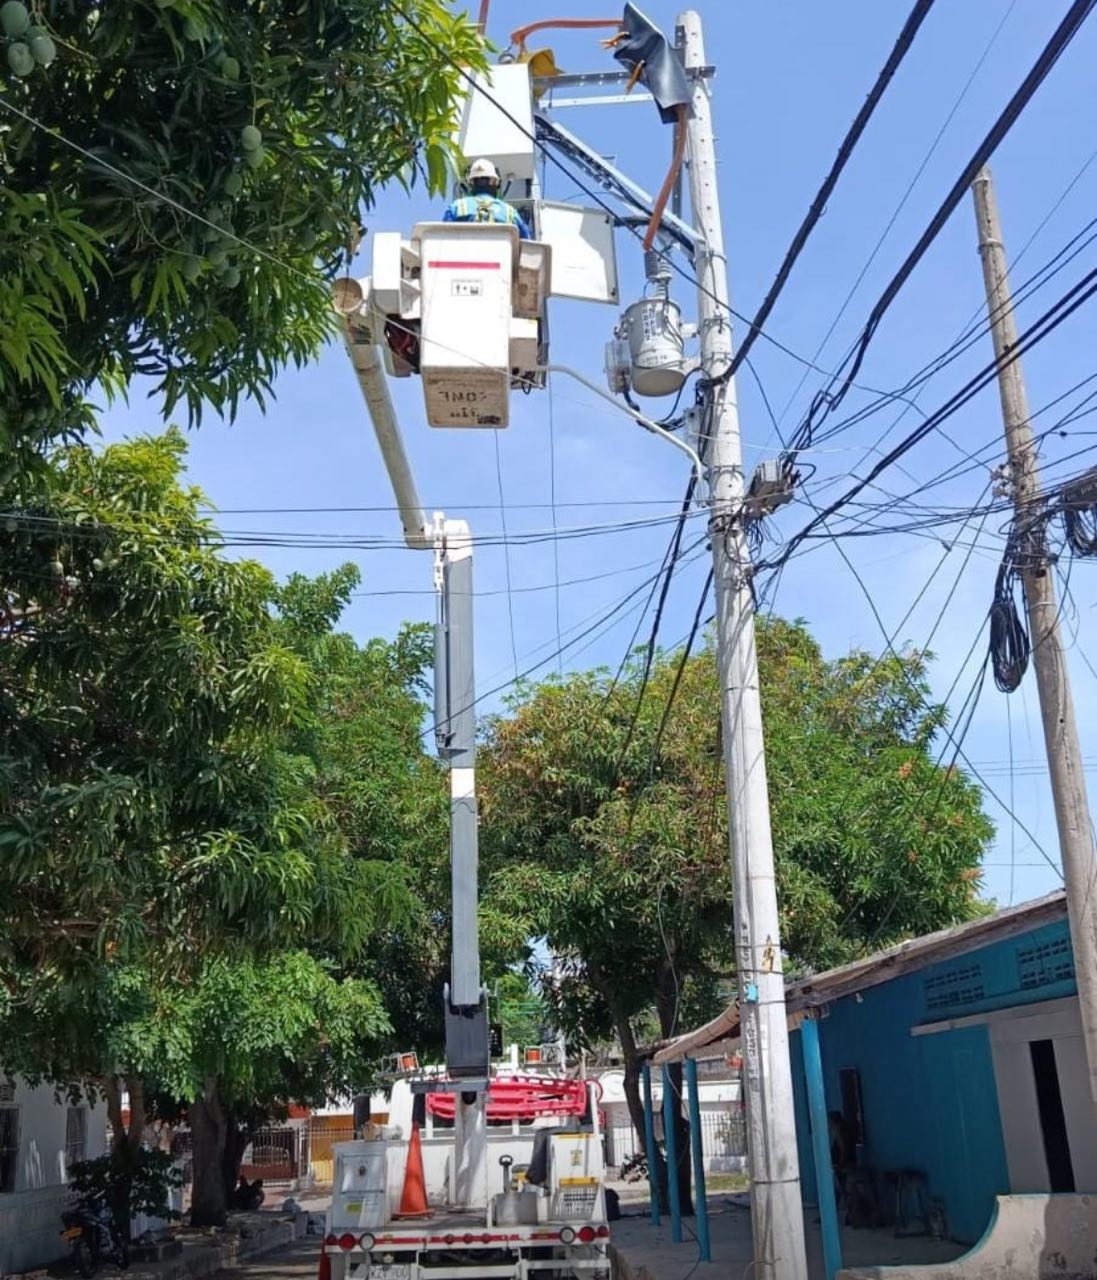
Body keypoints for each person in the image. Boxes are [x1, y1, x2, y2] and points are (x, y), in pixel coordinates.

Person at [444, 158, 532, 239]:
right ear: (494, 182)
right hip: (500, 255)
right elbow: (527, 243)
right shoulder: (510, 213)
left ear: (471, 183)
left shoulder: (456, 207)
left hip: (463, 255)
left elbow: (442, 238)